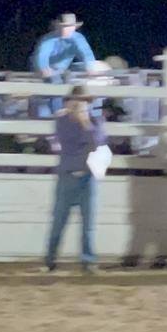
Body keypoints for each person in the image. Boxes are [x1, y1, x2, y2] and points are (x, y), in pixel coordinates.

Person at [43, 85, 108, 274]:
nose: (78, 105)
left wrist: (85, 122)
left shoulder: (95, 121)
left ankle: (87, 262)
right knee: (59, 222)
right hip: (69, 176)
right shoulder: (62, 121)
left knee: (88, 224)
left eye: (82, 101)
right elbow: (69, 142)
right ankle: (50, 259)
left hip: (87, 178)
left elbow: (98, 143)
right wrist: (83, 124)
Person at [32, 13, 96, 118]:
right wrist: (43, 68)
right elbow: (42, 55)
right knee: (55, 82)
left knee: (81, 78)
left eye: (69, 27)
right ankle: (58, 113)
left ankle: (87, 113)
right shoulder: (48, 39)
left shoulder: (78, 38)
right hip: (46, 69)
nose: (65, 29)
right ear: (57, 27)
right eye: (63, 26)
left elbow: (86, 53)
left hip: (64, 68)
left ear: (74, 28)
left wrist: (89, 66)